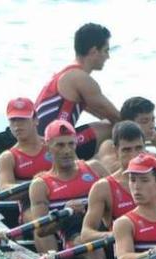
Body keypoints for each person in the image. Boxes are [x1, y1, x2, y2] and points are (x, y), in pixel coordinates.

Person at [79, 122, 156, 259]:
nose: (134, 155)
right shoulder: (103, 187)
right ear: (115, 151)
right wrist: (115, 233)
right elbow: (86, 233)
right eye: (127, 150)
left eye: (139, 148)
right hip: (128, 255)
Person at [34, 23, 121, 160]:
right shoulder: (80, 79)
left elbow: (104, 115)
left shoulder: (66, 74)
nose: (108, 56)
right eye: (105, 50)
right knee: (114, 130)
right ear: (93, 51)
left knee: (111, 127)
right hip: (49, 151)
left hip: (42, 146)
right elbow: (119, 119)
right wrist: (153, 137)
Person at [28, 120, 109, 255]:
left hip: (105, 226)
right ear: (47, 146)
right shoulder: (40, 185)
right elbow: (40, 230)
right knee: (96, 251)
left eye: (71, 144)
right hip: (75, 235)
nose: (66, 151)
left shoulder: (95, 167)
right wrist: (65, 213)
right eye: (60, 145)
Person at [0, 97, 53, 222]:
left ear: (35, 120)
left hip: (64, 196)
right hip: (30, 205)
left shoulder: (53, 145)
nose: (17, 125)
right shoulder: (7, 158)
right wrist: (38, 183)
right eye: (13, 120)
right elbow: (5, 191)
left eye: (22, 119)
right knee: (41, 222)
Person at [96, 97, 156, 172]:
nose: (152, 125)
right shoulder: (109, 145)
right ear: (129, 123)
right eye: (144, 121)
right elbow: (110, 167)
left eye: (153, 120)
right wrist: (153, 161)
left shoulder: (150, 154)